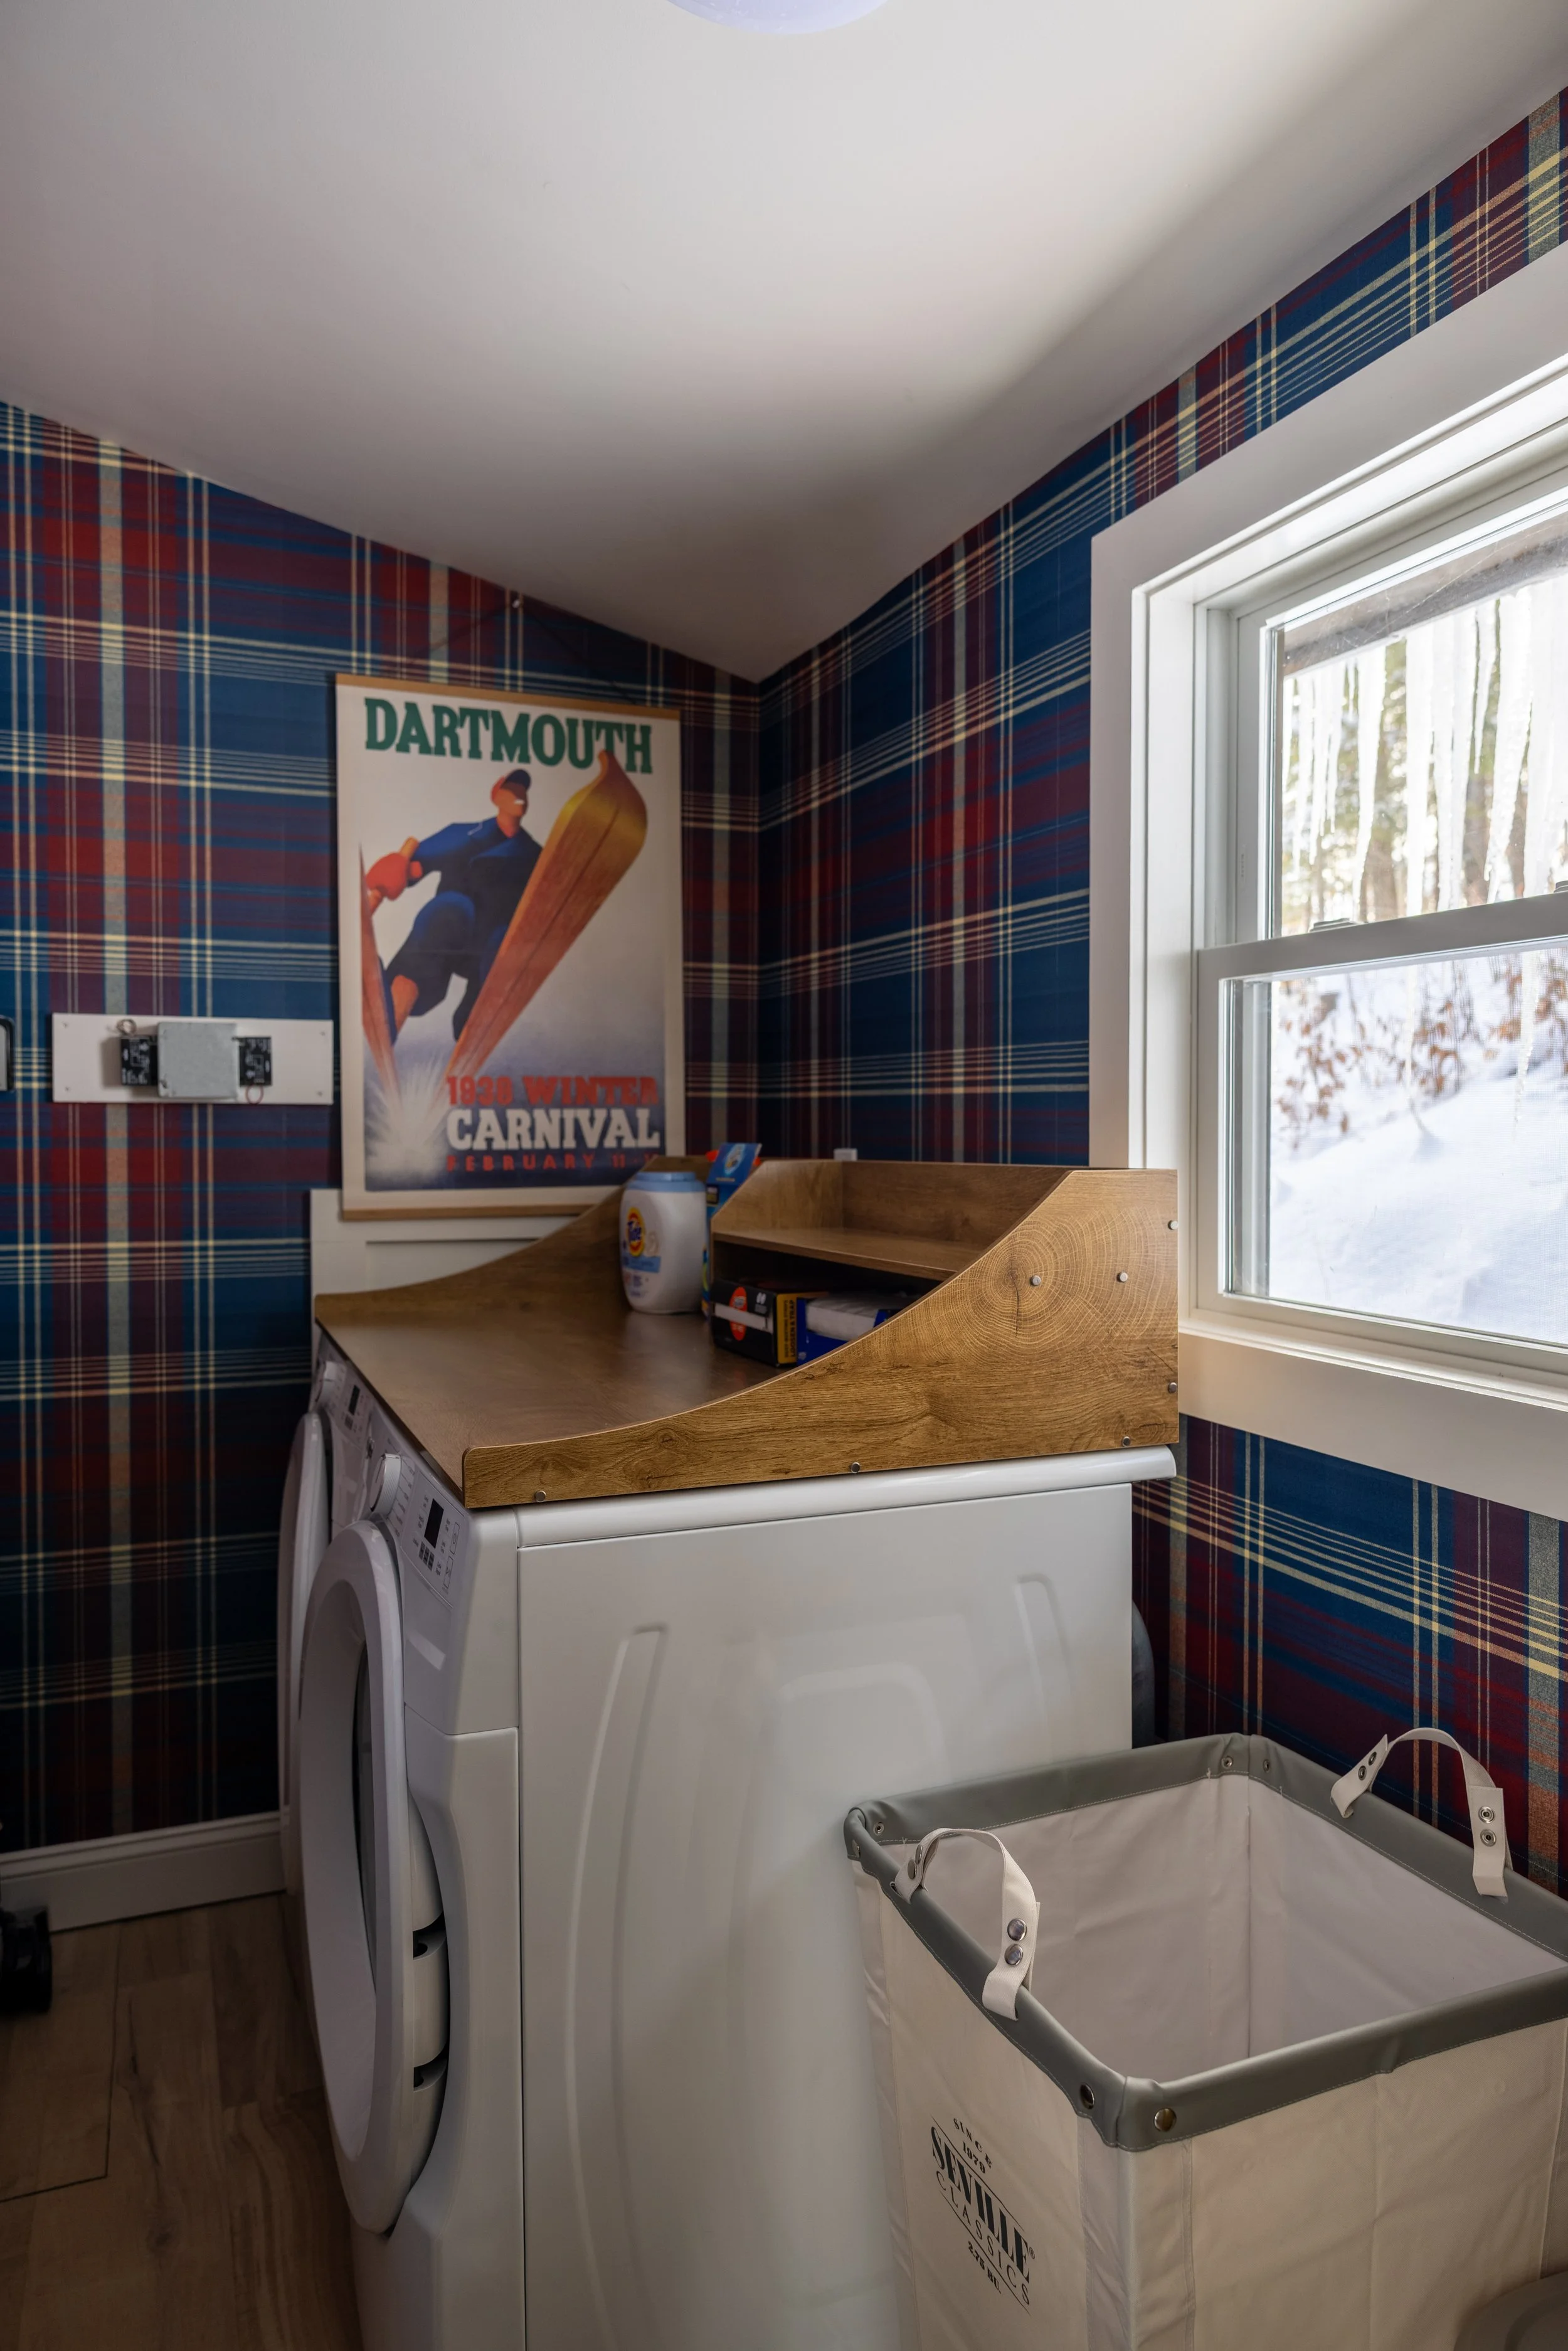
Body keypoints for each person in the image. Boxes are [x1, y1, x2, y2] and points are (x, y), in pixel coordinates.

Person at [366, 770, 541, 1040]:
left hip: (492, 947)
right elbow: (415, 866)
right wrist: (398, 870)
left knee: (506, 944)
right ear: (496, 796)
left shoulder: (534, 855)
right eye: (511, 790)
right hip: (448, 936)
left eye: (523, 791)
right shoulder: (463, 834)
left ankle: (471, 1026)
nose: (519, 796)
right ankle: (394, 1010)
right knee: (448, 909)